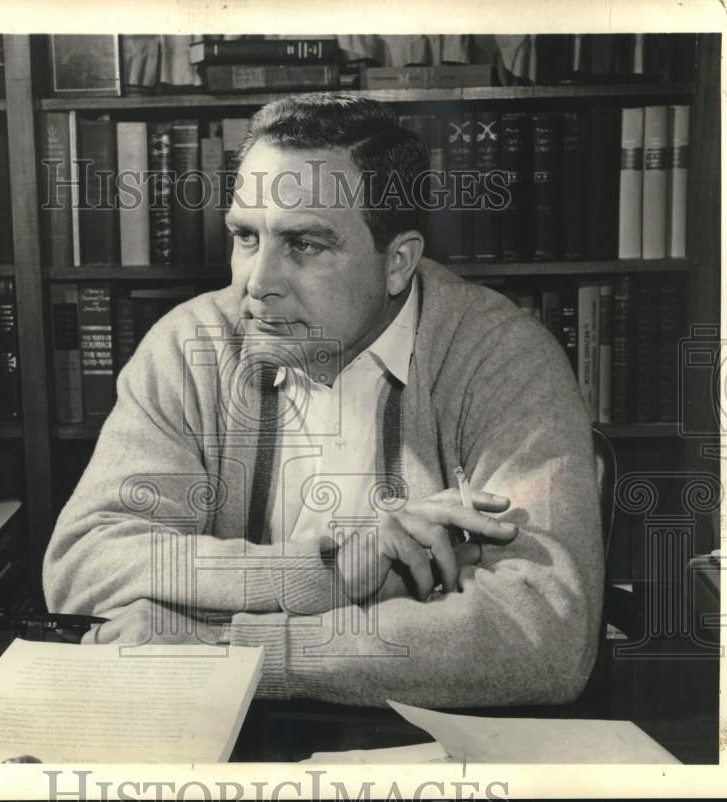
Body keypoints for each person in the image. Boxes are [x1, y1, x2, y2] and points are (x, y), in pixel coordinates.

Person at [43, 93, 604, 709]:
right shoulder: (189, 344)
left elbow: (543, 636)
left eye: (304, 244)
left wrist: (234, 650)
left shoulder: (502, 358)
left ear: (397, 263)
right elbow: (84, 566)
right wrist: (329, 572)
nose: (257, 283)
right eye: (245, 236)